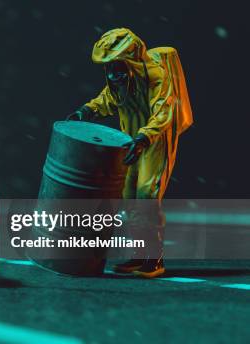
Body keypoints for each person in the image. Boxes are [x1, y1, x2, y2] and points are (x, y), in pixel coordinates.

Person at [68, 28, 193, 278]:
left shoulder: (157, 76)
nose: (113, 73)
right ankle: (138, 254)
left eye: (117, 65)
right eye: (109, 67)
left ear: (132, 61)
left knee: (147, 194)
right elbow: (108, 99)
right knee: (128, 196)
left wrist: (145, 138)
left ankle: (153, 258)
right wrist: (87, 110)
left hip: (155, 140)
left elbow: (164, 112)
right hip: (130, 141)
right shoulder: (120, 80)